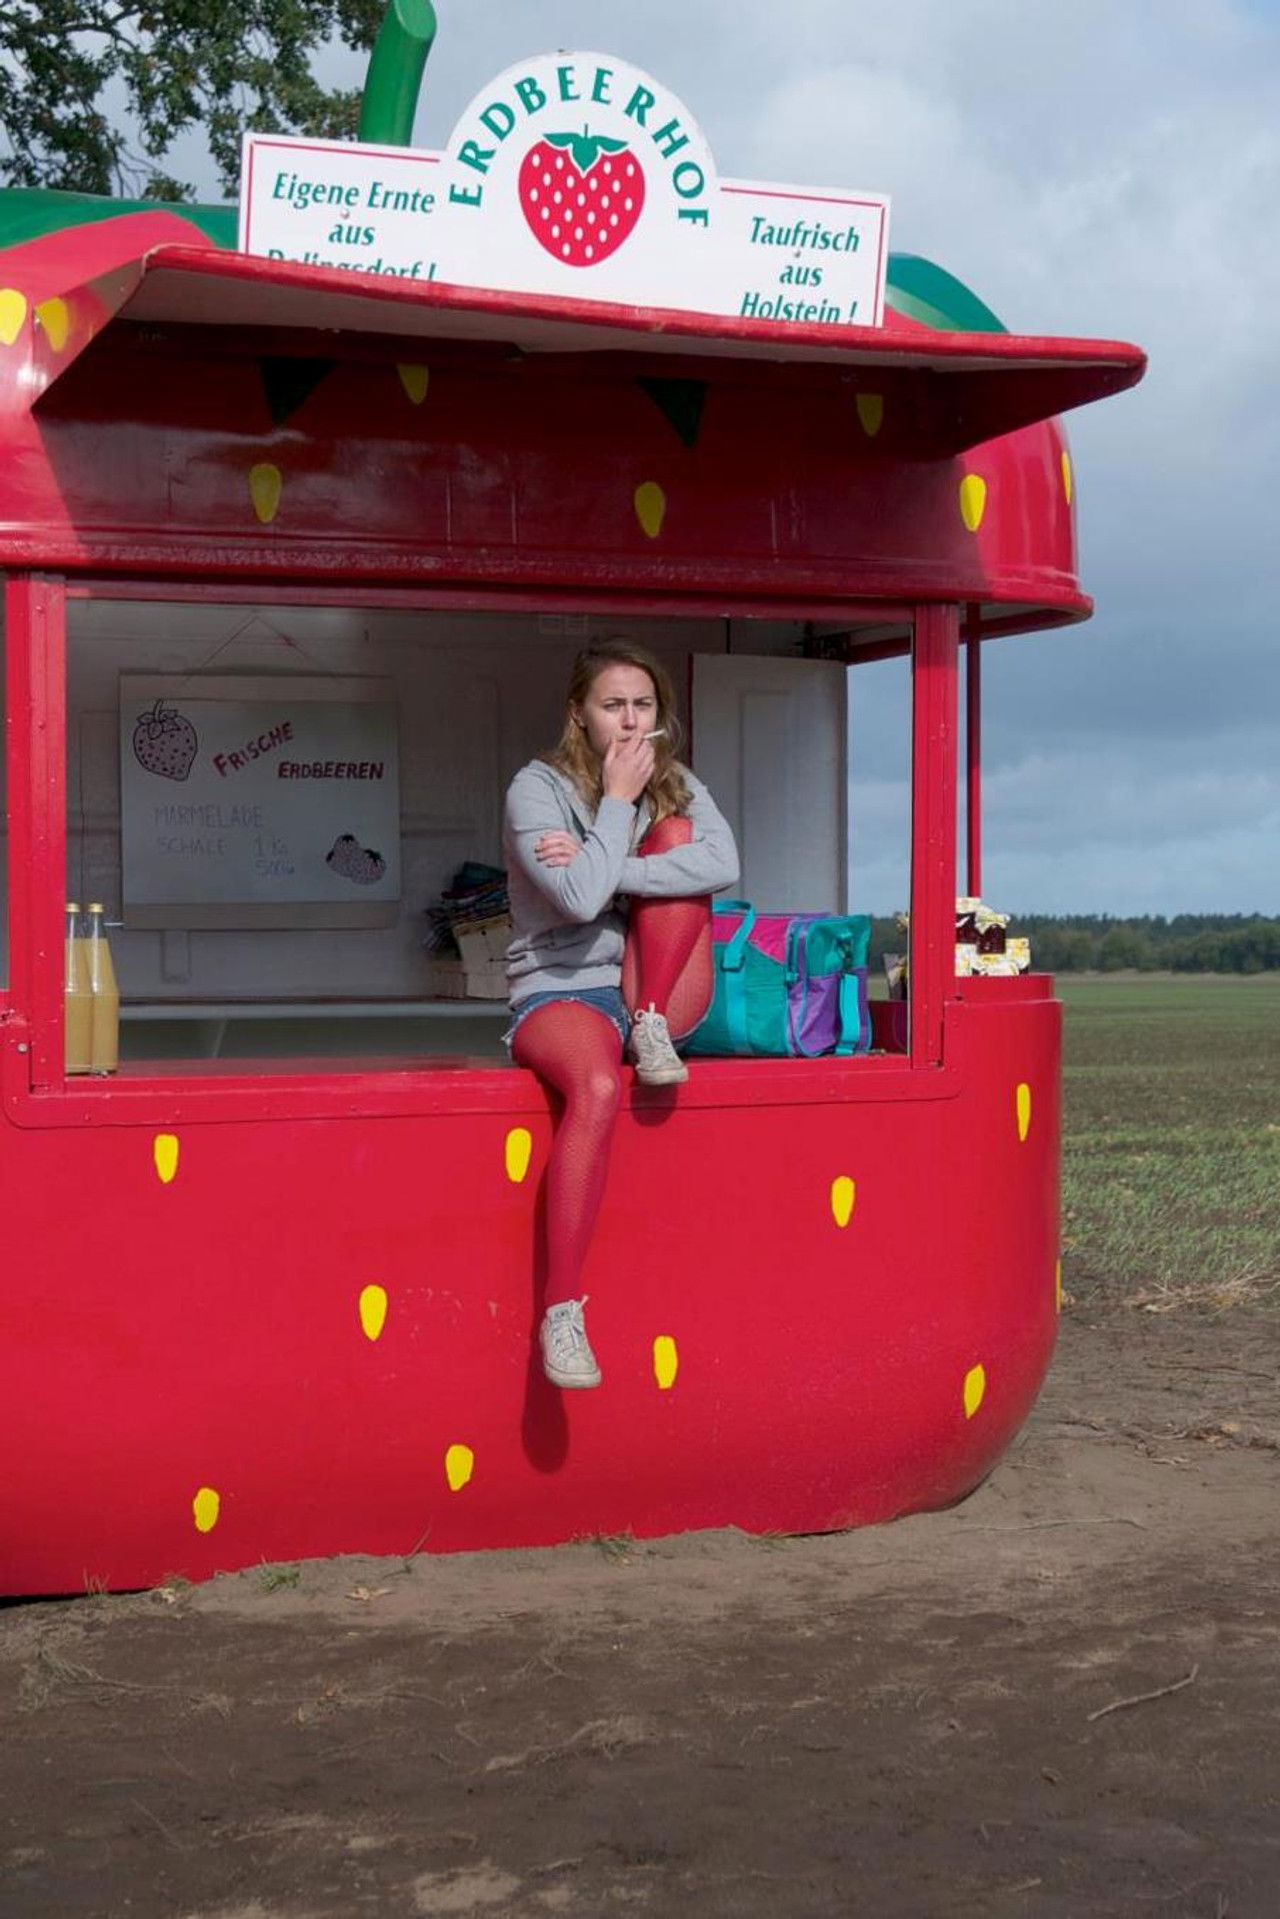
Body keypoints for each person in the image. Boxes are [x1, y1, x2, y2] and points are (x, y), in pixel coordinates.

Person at [503, 639, 740, 1391]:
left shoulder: (675, 782)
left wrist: (613, 870)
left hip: (654, 988)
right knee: (598, 1089)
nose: (632, 721)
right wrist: (614, 803)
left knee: (679, 836)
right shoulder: (534, 790)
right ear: (580, 713)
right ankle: (563, 1312)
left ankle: (647, 1022)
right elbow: (572, 903)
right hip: (560, 986)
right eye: (614, 705)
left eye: (644, 705)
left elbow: (721, 863)